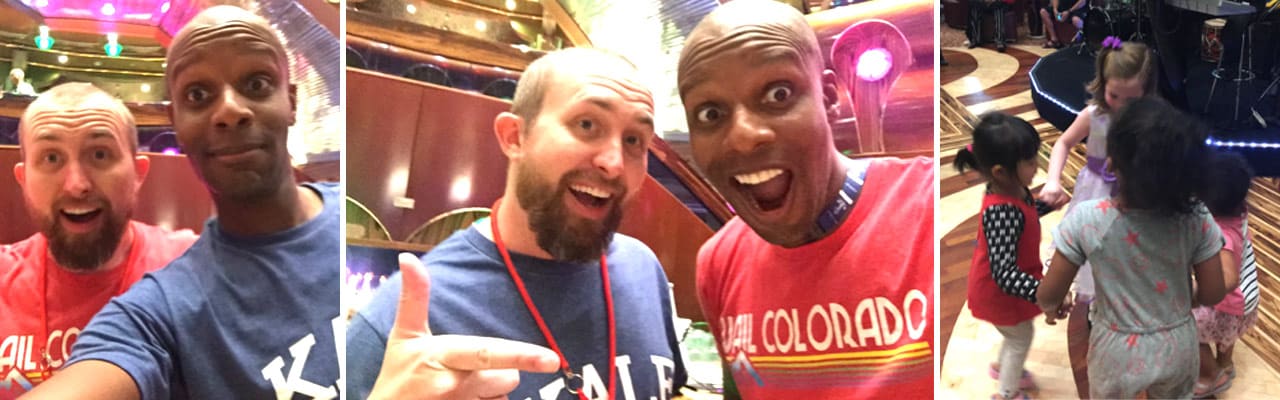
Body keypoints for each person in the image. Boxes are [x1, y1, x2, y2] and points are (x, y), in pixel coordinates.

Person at [21, 6, 341, 399]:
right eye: (198, 94)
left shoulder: (347, 219)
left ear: (291, 102)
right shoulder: (160, 308)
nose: (229, 110)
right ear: (177, 121)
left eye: (256, 84)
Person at [345, 48, 686, 400]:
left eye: (634, 140)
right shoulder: (401, 321)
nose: (613, 163)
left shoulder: (644, 270)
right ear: (514, 137)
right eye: (587, 125)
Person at [677, 1, 934, 398]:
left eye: (778, 93)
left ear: (829, 98)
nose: (744, 137)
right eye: (710, 114)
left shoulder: (928, 210)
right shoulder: (717, 264)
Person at [0, 83, 197, 398]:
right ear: (24, 180)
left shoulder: (192, 266)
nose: (77, 184)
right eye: (51, 158)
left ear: (137, 172)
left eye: (100, 154)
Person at [1037, 96, 1231, 399]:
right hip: (1177, 344)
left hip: (1114, 349)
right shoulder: (1197, 217)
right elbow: (1214, 292)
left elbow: (1048, 295)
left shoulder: (1087, 219)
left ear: (1112, 163)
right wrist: (1181, 301)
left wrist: (1054, 305)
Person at [1035, 38, 1155, 397]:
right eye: (1114, 96)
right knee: (1092, 256)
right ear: (1103, 87)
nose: (1119, 105)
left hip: (1135, 199)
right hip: (1096, 195)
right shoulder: (1093, 115)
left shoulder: (1150, 120)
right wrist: (1053, 180)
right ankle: (1098, 317)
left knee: (1132, 258)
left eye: (1130, 99)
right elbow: (1062, 144)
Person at [954, 113, 1057, 400]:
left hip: (1007, 288)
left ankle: (1002, 367)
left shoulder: (1013, 190)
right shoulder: (1001, 210)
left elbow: (1023, 218)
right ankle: (1006, 393)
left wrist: (1045, 206)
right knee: (1020, 337)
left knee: (1016, 335)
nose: (1038, 166)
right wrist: (1044, 291)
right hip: (999, 292)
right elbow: (1004, 273)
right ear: (1000, 171)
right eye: (1030, 162)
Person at [1192, 151, 1258, 398]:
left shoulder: (1221, 235)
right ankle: (1225, 366)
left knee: (1190, 327)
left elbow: (1229, 279)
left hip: (1226, 301)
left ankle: (1208, 376)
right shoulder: (1240, 212)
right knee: (1226, 335)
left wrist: (1197, 296)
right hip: (1247, 298)